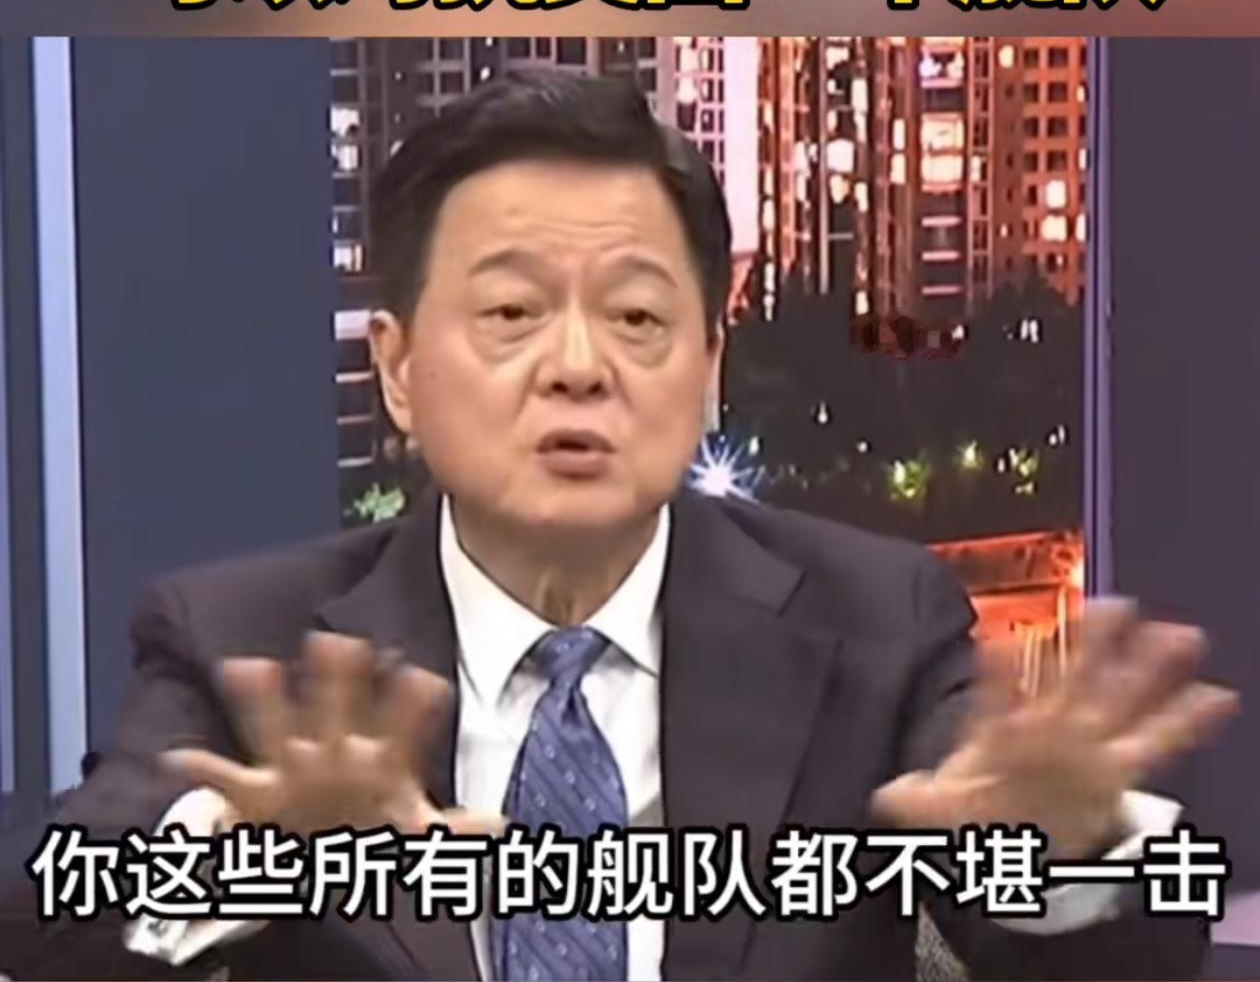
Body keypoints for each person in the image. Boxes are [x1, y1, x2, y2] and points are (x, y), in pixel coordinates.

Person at [0, 72, 1238, 981]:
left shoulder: (878, 620)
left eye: (639, 319)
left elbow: (1114, 959)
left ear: (709, 367)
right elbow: (45, 917)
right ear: (398, 369)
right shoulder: (251, 643)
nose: (579, 367)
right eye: (511, 314)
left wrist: (1065, 850)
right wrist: (247, 853)